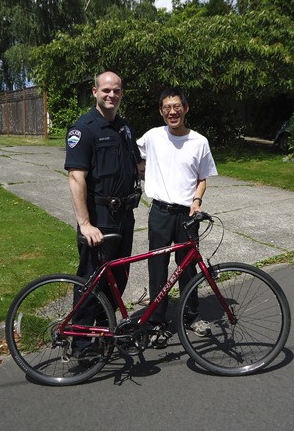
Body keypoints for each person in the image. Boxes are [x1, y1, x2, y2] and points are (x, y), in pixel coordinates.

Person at [64, 71, 143, 360]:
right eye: (106, 90)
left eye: (117, 90)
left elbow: (138, 165)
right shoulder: (83, 129)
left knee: (117, 277)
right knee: (90, 280)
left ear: (122, 93)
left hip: (125, 216)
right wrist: (85, 224)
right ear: (95, 91)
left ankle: (103, 332)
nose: (111, 95)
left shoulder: (124, 128)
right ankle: (82, 345)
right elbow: (76, 177)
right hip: (99, 217)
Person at [137, 86, 218, 348]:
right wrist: (143, 175)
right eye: (167, 108)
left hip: (187, 214)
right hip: (160, 212)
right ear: (161, 112)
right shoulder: (152, 137)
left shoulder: (199, 142)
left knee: (188, 267)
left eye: (177, 107)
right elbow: (133, 157)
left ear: (186, 108)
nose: (172, 112)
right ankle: (156, 322)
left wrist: (197, 201)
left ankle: (192, 316)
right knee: (157, 269)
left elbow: (202, 178)